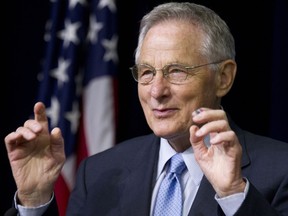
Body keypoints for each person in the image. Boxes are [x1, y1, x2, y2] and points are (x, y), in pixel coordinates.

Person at [4, 2, 288, 216]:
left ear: (223, 77)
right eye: (147, 72)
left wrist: (234, 194)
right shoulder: (98, 172)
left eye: (177, 71)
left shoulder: (281, 170)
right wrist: (34, 200)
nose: (156, 91)